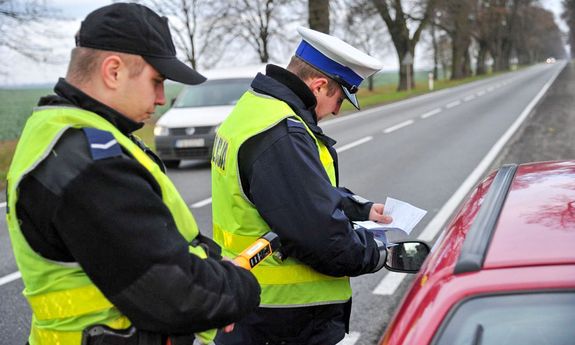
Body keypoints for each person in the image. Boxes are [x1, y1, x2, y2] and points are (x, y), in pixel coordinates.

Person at [5, 3, 260, 345]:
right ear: (113, 71)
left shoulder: (57, 130)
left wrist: (212, 271)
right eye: (157, 81)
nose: (160, 99)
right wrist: (238, 288)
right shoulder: (91, 163)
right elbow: (176, 294)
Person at [211, 26, 392, 345]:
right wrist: (375, 251)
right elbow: (321, 236)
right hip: (282, 320)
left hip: (250, 304)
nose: (337, 109)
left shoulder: (256, 108)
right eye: (340, 98)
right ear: (320, 85)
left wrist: (356, 207)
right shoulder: (283, 133)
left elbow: (296, 191)